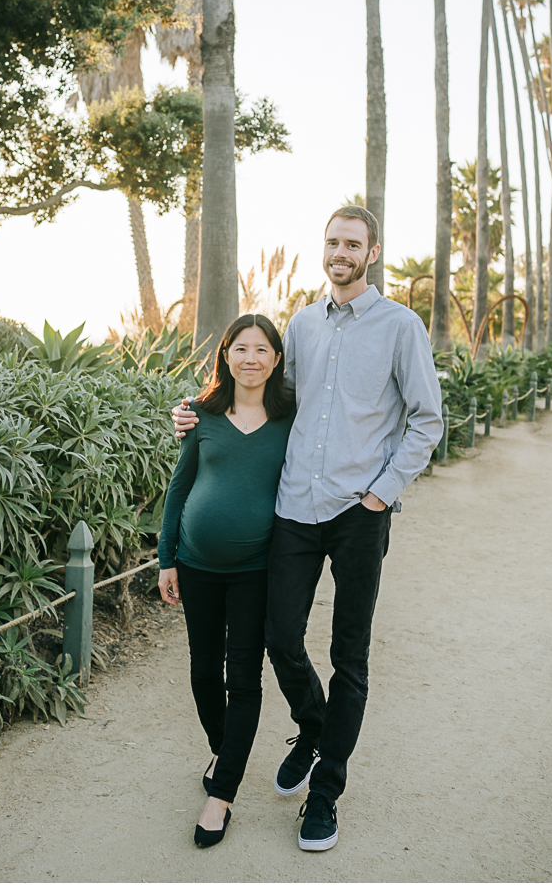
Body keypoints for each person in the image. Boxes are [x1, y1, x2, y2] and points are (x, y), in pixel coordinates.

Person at [173, 205, 443, 852]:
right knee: (278, 637)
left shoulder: (400, 327)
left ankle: (325, 793)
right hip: (294, 507)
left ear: (372, 252)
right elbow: (264, 394)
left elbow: (427, 420)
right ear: (324, 250)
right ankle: (313, 725)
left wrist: (381, 495)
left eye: (353, 243)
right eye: (332, 242)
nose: (340, 252)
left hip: (358, 512)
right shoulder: (300, 324)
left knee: (350, 654)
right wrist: (195, 413)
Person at [157, 313, 295, 848]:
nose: (252, 359)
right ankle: (225, 747)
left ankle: (222, 793)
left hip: (255, 572)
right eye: (241, 348)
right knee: (202, 669)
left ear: (276, 359)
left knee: (244, 676)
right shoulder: (199, 415)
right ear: (227, 356)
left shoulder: (291, 419)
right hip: (195, 566)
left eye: (262, 349)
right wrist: (166, 558)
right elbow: (178, 488)